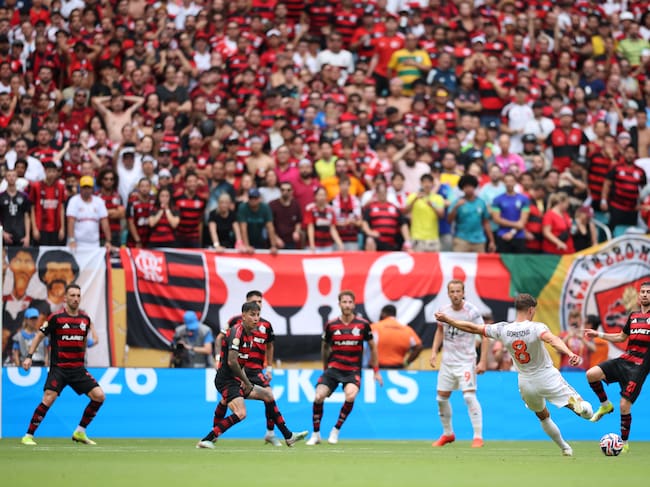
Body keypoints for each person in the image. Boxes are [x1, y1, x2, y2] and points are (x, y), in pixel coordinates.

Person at [435, 293, 593, 456]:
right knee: (582, 408)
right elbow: (553, 340)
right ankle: (583, 409)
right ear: (531, 310)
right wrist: (569, 353)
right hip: (546, 376)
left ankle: (565, 447)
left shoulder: (503, 329)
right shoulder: (536, 327)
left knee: (543, 416)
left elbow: (473, 328)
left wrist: (449, 320)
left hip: (525, 382)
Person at [196, 301, 307, 448]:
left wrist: (244, 381)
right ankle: (207, 439)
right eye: (252, 315)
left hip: (236, 380)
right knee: (241, 413)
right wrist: (247, 382)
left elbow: (240, 363)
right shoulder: (237, 332)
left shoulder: (251, 335)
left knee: (268, 395)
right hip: (227, 380)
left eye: (258, 315)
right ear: (243, 316)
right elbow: (232, 362)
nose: (256, 318)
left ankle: (288, 436)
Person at [21, 284, 106, 446]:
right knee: (48, 398)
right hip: (59, 369)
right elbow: (39, 335)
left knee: (99, 396)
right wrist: (29, 357)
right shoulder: (56, 317)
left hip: (78, 369)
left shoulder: (85, 319)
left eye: (78, 296)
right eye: (72, 295)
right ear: (65, 298)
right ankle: (28, 435)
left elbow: (83, 341)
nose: (76, 299)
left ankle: (80, 432)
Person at [306, 290, 383, 446]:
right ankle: (316, 434)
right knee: (318, 396)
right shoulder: (331, 325)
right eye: (344, 302)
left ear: (354, 305)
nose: (347, 305)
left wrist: (376, 371)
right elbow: (325, 347)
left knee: (350, 396)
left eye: (350, 302)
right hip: (333, 369)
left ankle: (335, 430)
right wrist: (325, 368)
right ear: (339, 304)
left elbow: (373, 347)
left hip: (352, 370)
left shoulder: (363, 324)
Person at [214, 290, 288, 447]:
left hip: (255, 369)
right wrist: (218, 358)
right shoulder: (235, 323)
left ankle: (271, 433)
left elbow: (270, 346)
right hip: (237, 369)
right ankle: (213, 434)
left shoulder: (265, 325)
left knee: (268, 395)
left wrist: (269, 367)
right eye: (255, 302)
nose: (258, 304)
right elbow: (220, 339)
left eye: (260, 302)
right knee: (226, 400)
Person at [584, 281, 650, 453]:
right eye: (643, 292)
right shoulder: (634, 316)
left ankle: (624, 442)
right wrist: (598, 334)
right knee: (591, 374)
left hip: (640, 366)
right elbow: (621, 337)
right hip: (625, 360)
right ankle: (605, 404)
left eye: (648, 292)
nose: (645, 294)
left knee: (624, 405)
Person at [430, 280, 489, 448]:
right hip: (447, 362)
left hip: (466, 361)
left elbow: (485, 334)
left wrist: (482, 361)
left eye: (458, 291)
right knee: (441, 398)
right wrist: (434, 352)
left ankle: (478, 436)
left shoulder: (472, 311)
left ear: (463, 293)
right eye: (452, 291)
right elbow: (439, 331)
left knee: (469, 396)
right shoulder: (443, 311)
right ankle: (448, 434)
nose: (455, 294)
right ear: (448, 294)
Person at [66, 176, 111, 250]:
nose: (86, 190)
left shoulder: (99, 201)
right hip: (77, 244)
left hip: (94, 244)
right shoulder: (74, 201)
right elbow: (70, 221)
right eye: (84, 187)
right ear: (80, 188)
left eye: (89, 187)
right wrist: (72, 240)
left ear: (92, 188)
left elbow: (104, 222)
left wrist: (108, 241)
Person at [371, 304, 423, 369]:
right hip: (397, 368)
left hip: (376, 368)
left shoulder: (375, 327)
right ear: (394, 315)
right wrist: (407, 363)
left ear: (383, 313)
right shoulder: (407, 330)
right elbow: (419, 347)